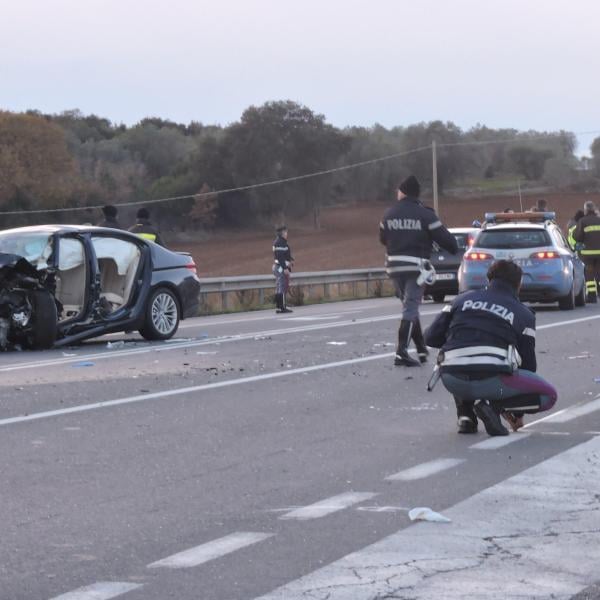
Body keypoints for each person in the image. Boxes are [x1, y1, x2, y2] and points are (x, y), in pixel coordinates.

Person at [424, 260, 557, 436]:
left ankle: (465, 415)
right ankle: (494, 408)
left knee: (460, 353)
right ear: (519, 284)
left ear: (489, 279)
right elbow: (528, 366)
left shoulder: (460, 300)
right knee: (549, 395)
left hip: (452, 379)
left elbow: (431, 337)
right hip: (493, 382)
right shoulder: (523, 313)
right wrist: (517, 412)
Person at [379, 175, 458, 367]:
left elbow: (383, 238)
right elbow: (448, 241)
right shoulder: (425, 214)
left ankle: (421, 348)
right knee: (411, 308)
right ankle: (401, 352)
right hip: (416, 268)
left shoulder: (389, 214)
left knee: (409, 307)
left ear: (403, 191)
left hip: (394, 267)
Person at [573, 201, 600, 303]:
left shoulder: (583, 221)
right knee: (598, 273)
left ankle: (592, 296)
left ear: (586, 210)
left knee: (589, 274)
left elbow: (577, 237)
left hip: (587, 254)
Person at [272, 225, 294, 314]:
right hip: (280, 267)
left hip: (278, 266)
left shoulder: (281, 242)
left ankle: (279, 306)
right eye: (286, 232)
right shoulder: (280, 242)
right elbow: (280, 257)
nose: (287, 234)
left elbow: (284, 255)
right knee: (282, 286)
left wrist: (290, 260)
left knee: (279, 286)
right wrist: (285, 268)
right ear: (283, 233)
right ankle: (282, 307)